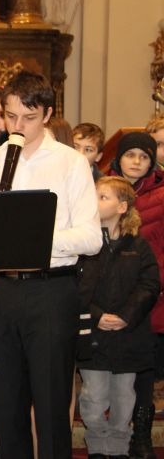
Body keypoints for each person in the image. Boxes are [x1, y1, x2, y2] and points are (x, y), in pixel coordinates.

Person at [0, 70, 102, 458]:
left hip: (51, 290)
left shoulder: (71, 163)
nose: (17, 126)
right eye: (10, 116)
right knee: (7, 403)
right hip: (2, 292)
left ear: (46, 114)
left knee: (50, 404)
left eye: (28, 118)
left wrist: (36, 241)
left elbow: (91, 238)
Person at [77, 176, 159, 458]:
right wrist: (96, 315)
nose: (95, 201)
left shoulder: (139, 246)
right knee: (93, 397)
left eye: (103, 197)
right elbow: (75, 287)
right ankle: (98, 446)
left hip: (129, 335)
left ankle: (119, 447)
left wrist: (125, 315)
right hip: (95, 336)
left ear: (122, 207)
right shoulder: (86, 246)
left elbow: (149, 285)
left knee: (124, 398)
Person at [106, 131, 164, 458]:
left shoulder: (160, 194)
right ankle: (110, 433)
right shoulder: (104, 190)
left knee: (144, 369)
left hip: (150, 296)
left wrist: (154, 282)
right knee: (109, 368)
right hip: (109, 295)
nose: (137, 162)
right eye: (130, 155)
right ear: (119, 158)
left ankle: (141, 434)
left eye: (144, 157)